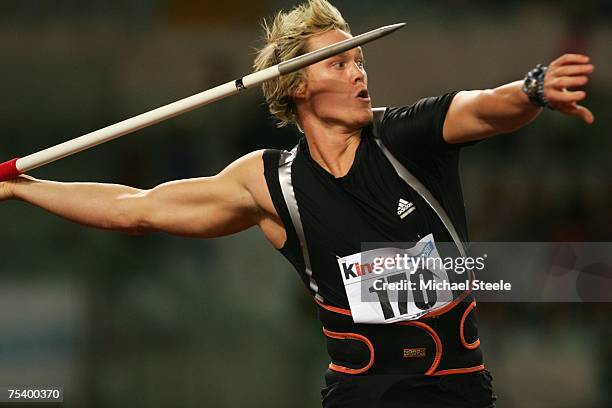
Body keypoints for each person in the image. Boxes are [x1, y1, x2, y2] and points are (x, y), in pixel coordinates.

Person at [0, 0, 595, 406]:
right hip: (356, 396)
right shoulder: (268, 183)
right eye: (340, 63)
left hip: (454, 392)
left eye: (360, 60)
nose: (360, 73)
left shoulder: (407, 136)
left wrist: (533, 89)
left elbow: (487, 106)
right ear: (297, 85)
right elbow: (137, 208)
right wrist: (18, 187)